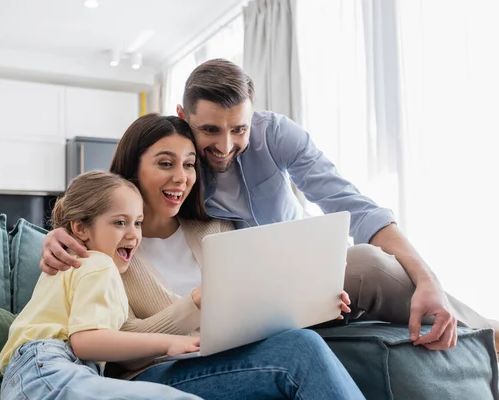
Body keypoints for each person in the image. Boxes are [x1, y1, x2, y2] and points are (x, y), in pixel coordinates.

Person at [41, 59, 498, 353]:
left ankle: (483, 335)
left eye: (237, 129)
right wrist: (62, 229)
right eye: (210, 132)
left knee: (370, 262)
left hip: (296, 273)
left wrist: (428, 280)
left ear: (252, 116)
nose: (224, 146)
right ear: (184, 116)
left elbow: (355, 207)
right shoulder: (167, 156)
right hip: (246, 299)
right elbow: (106, 196)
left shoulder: (272, 135)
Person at [43, 114, 366, 399]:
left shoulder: (216, 227)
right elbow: (118, 345)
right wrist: (193, 305)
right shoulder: (108, 248)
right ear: (133, 170)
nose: (181, 178)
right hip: (152, 375)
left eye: (189, 164)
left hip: (231, 358)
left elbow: (252, 309)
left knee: (302, 339)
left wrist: (311, 302)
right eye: (165, 163)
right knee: (301, 351)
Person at [0, 171, 203, 400]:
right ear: (81, 229)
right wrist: (169, 342)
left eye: (138, 223)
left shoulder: (70, 263)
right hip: (49, 364)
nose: (133, 234)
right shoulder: (98, 264)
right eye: (120, 222)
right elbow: (86, 342)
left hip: (27, 378)